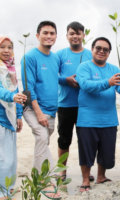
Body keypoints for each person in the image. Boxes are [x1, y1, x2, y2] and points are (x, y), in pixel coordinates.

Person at [76, 37, 120, 192]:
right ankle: (86, 180)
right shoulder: (83, 67)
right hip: (87, 119)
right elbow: (85, 85)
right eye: (98, 48)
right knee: (86, 152)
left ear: (109, 53)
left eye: (105, 50)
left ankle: (101, 176)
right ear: (92, 49)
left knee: (106, 152)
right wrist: (108, 82)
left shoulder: (113, 69)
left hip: (109, 118)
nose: (101, 51)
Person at [21, 21, 61, 199]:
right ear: (38, 36)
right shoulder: (29, 57)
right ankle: (46, 182)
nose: (49, 36)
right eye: (45, 33)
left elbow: (54, 77)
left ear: (56, 37)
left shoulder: (55, 57)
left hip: (52, 110)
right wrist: (38, 112)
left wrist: (67, 79)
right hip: (33, 108)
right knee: (42, 138)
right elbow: (28, 88)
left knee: (43, 143)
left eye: (52, 33)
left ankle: (37, 177)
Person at [56, 21, 93, 181]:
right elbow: (51, 75)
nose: (75, 36)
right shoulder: (60, 55)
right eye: (72, 33)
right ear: (67, 36)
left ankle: (86, 172)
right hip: (65, 104)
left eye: (78, 33)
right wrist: (65, 79)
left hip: (86, 105)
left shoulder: (90, 55)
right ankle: (62, 171)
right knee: (64, 139)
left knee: (85, 140)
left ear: (84, 36)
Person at [0, 35, 27, 200]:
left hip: (10, 120)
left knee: (11, 158)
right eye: (2, 47)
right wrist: (11, 97)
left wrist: (18, 116)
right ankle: (1, 190)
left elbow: (18, 92)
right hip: (0, 119)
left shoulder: (11, 70)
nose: (6, 50)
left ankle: (9, 187)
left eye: (10, 47)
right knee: (2, 158)